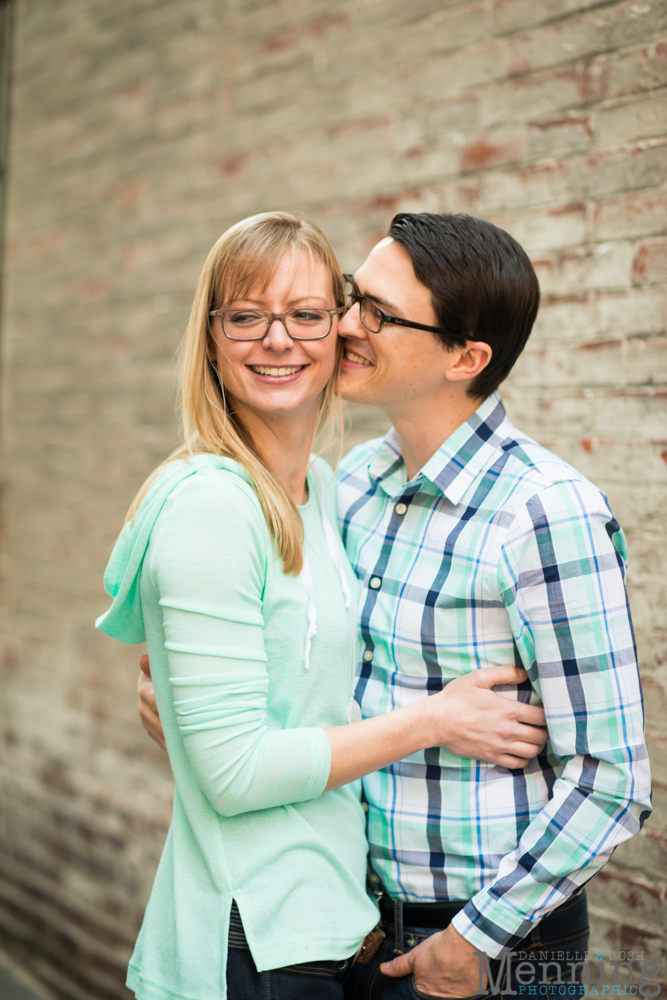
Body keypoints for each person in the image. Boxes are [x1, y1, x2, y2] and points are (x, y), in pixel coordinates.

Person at [139, 212, 651, 999]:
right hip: (354, 928)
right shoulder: (348, 487)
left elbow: (609, 779)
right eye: (353, 297)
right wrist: (183, 701)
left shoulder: (545, 514)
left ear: (465, 357)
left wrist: (474, 939)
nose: (344, 325)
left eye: (377, 313)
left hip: (490, 946)